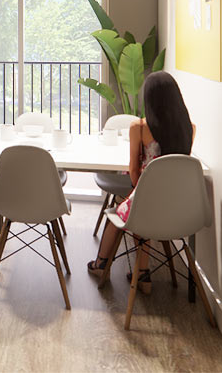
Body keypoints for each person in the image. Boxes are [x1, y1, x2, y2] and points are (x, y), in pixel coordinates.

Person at [87, 70, 194, 284]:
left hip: (146, 198)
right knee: (140, 208)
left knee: (122, 208)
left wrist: (137, 192)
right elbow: (178, 165)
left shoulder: (140, 127)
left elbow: (134, 170)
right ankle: (142, 273)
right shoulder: (189, 128)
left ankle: (101, 264)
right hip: (177, 204)